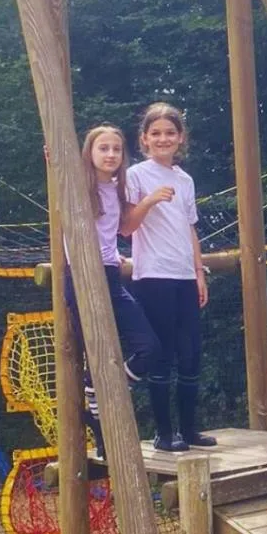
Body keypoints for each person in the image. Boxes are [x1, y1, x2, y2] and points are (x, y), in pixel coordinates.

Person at [70, 123, 166, 459]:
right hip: (80, 275)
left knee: (150, 348)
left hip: (110, 274)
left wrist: (115, 253)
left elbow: (116, 228)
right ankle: (102, 439)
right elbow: (58, 175)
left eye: (116, 149)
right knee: (96, 356)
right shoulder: (79, 185)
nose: (110, 154)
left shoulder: (117, 189)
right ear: (89, 153)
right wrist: (52, 160)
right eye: (103, 148)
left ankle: (99, 389)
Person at [125, 102, 216, 451]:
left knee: (190, 354)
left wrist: (199, 272)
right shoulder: (136, 175)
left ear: (180, 138)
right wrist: (149, 201)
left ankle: (189, 431)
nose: (163, 138)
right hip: (153, 275)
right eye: (156, 133)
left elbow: (190, 228)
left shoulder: (185, 179)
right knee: (161, 356)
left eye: (170, 133)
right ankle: (164, 435)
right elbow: (126, 226)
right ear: (144, 139)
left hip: (183, 276)